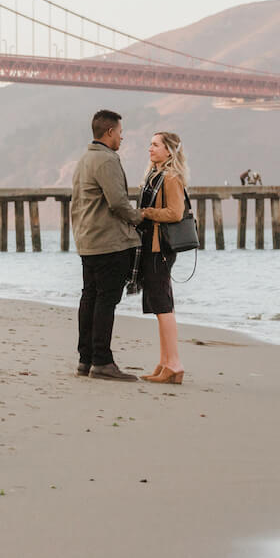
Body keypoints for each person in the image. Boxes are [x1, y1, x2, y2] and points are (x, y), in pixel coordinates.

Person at [70, 110, 143, 382]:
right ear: (110, 132)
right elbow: (118, 202)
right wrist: (139, 217)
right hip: (107, 242)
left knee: (89, 297)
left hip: (87, 240)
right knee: (106, 300)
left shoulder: (84, 159)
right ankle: (102, 361)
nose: (122, 137)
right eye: (120, 132)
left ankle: (85, 359)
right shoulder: (107, 160)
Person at [135, 131, 189, 385]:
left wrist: (147, 213)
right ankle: (165, 361)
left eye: (156, 145)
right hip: (150, 246)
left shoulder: (170, 178)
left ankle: (174, 363)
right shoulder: (154, 176)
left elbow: (176, 213)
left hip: (160, 248)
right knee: (159, 306)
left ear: (169, 151)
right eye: (151, 144)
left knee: (163, 306)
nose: (150, 148)